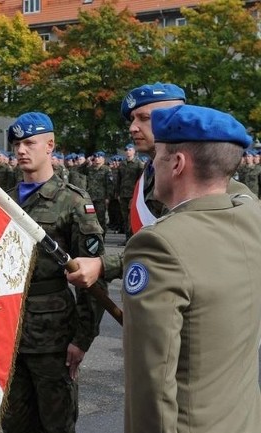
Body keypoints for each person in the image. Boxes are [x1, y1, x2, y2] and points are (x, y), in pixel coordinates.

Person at [122, 104, 261, 433]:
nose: (152, 167)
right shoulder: (251, 217)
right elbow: (234, 188)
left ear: (178, 164)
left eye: (159, 157)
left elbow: (151, 392)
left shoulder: (159, 246)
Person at [1, 112, 106, 433]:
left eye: (30, 143)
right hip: (8, 331)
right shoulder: (6, 200)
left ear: (50, 146)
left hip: (52, 335)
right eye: (16, 144)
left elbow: (92, 279)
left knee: (57, 431)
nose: (21, 150)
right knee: (15, 428)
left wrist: (82, 338)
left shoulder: (73, 202)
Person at [66, 82, 253, 288]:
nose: (132, 127)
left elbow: (186, 246)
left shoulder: (212, 185)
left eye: (144, 118)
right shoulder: (148, 176)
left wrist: (105, 265)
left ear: (174, 118)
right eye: (132, 119)